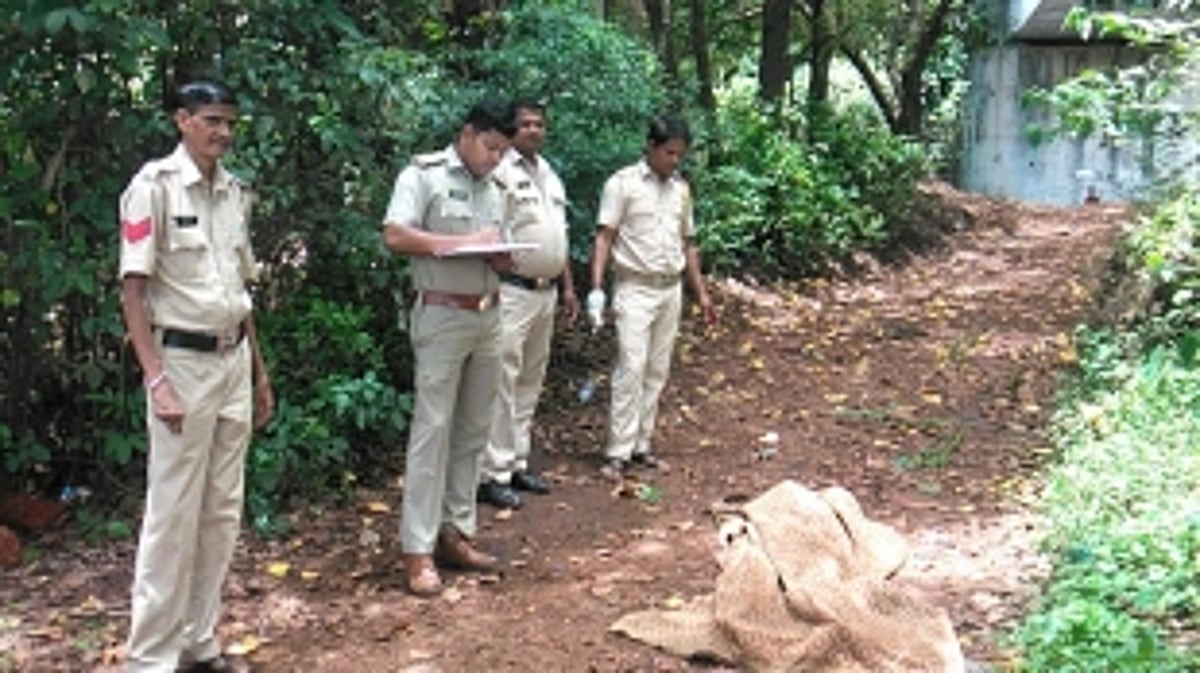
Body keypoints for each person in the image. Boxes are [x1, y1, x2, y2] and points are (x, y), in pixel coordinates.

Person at [118, 77, 274, 673]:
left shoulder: (234, 193)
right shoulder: (151, 188)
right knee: (172, 513)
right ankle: (150, 659)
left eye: (230, 122)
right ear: (182, 120)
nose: (224, 133)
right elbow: (134, 293)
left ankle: (198, 643)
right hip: (181, 363)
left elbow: (241, 293)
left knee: (221, 509)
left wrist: (259, 373)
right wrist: (156, 379)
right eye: (212, 120)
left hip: (232, 360)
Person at [381, 98, 518, 597]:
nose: (494, 158)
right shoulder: (425, 176)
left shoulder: (498, 185)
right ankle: (416, 549)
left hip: (489, 312)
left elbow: (498, 248)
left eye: (502, 151)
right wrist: (455, 244)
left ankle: (454, 532)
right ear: (466, 133)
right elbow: (395, 234)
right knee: (432, 429)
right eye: (489, 147)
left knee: (473, 429)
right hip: (441, 313)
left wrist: (503, 255)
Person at [586, 114, 717, 480]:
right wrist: (596, 288)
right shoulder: (622, 184)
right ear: (651, 147)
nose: (674, 161)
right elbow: (604, 237)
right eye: (669, 152)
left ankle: (641, 444)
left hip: (669, 287)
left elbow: (688, 243)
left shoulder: (681, 190)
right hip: (634, 285)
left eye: (680, 155)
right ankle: (617, 450)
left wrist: (701, 294)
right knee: (631, 366)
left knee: (657, 370)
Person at [477, 99, 580, 510]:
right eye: (525, 125)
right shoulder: (500, 172)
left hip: (547, 290)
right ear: (512, 129)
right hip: (512, 290)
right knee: (502, 379)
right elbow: (490, 231)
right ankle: (493, 473)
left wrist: (569, 286)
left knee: (530, 379)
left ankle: (517, 462)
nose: (534, 130)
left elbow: (560, 235)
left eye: (540, 124)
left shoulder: (550, 175)